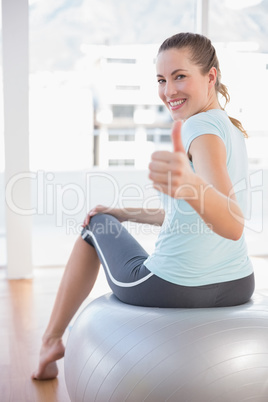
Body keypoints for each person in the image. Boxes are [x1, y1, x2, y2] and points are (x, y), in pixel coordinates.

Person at [32, 32, 254, 380]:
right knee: (109, 216)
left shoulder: (197, 128)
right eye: (162, 80)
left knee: (95, 225)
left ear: (210, 77)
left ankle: (50, 340)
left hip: (174, 286)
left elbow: (232, 222)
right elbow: (194, 215)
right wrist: (125, 212)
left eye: (180, 76)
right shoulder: (229, 128)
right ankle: (51, 339)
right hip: (239, 282)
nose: (169, 91)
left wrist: (191, 183)